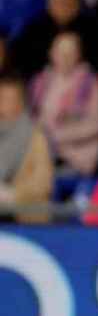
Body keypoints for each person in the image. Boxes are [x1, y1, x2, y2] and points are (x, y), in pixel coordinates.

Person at [28, 32, 98, 202]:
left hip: (78, 156)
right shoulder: (40, 81)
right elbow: (32, 119)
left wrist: (55, 136)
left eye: (70, 52)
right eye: (60, 51)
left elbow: (96, 124)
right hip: (44, 154)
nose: (65, 57)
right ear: (51, 53)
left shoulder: (90, 81)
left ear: (78, 55)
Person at [0, 76, 52, 222]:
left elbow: (43, 182)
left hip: (22, 214)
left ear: (20, 102)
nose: (2, 102)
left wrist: (13, 194)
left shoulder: (36, 136)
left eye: (7, 98)